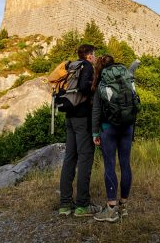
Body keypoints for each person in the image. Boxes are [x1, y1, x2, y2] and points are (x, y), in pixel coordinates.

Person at [91, 55, 140, 222]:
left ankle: (111, 210)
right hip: (127, 127)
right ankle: (123, 206)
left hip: (108, 129)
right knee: (125, 165)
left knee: (110, 166)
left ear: (100, 67)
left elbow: (96, 111)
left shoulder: (102, 83)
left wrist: (95, 133)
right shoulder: (126, 77)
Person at [59, 44, 102, 217]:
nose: (95, 57)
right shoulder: (87, 67)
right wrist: (95, 87)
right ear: (90, 55)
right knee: (85, 158)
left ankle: (64, 204)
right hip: (82, 118)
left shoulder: (72, 66)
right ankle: (82, 205)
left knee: (70, 158)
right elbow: (84, 88)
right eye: (94, 54)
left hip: (69, 116)